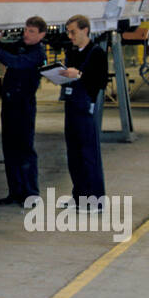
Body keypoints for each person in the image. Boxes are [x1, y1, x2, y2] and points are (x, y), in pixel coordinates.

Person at [0, 16, 49, 207]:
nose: (26, 34)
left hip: (24, 106)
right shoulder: (22, 45)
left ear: (41, 35)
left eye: (31, 31)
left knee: (25, 149)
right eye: (26, 29)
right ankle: (15, 192)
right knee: (10, 149)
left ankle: (31, 194)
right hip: (10, 104)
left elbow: (16, 62)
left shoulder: (38, 53)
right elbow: (6, 50)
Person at [59, 15, 108, 202]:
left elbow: (101, 81)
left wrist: (79, 74)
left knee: (89, 154)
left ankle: (95, 198)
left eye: (73, 32)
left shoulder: (96, 53)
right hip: (71, 106)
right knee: (74, 153)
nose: (70, 36)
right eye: (69, 32)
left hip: (86, 107)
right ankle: (79, 195)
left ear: (85, 30)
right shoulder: (72, 52)